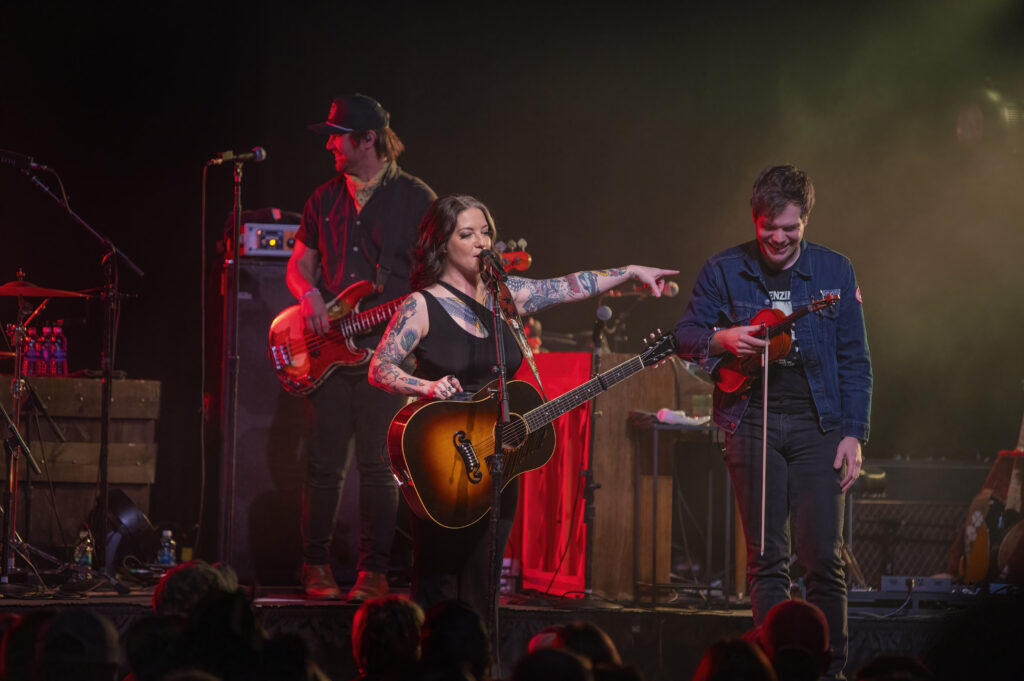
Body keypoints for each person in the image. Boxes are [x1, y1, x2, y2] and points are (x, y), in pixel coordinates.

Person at [369, 194, 676, 616]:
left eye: (486, 232)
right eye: (467, 234)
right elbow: (379, 366)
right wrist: (424, 385)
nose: (481, 242)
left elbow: (570, 285)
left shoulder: (507, 295)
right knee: (436, 583)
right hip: (442, 457)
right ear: (442, 243)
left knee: (483, 586)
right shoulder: (423, 304)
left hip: (497, 457)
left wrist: (631, 271)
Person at [675, 165, 871, 680]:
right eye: (769, 227)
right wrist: (724, 339)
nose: (779, 238)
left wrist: (854, 433)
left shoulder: (835, 271)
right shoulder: (724, 269)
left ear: (805, 219)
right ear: (755, 217)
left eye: (791, 227)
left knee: (823, 562)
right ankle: (771, 670)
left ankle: (828, 672)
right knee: (766, 561)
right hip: (752, 420)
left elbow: (855, 359)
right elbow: (687, 332)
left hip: (820, 425)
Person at [288, 93, 437, 601]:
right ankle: (315, 566)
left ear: (366, 140)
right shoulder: (323, 199)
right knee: (322, 462)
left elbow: (438, 276)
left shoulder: (418, 199)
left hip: (388, 353)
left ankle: (373, 572)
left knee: (379, 463)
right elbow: (299, 264)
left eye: (336, 135)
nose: (329, 143)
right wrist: (308, 292)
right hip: (329, 352)